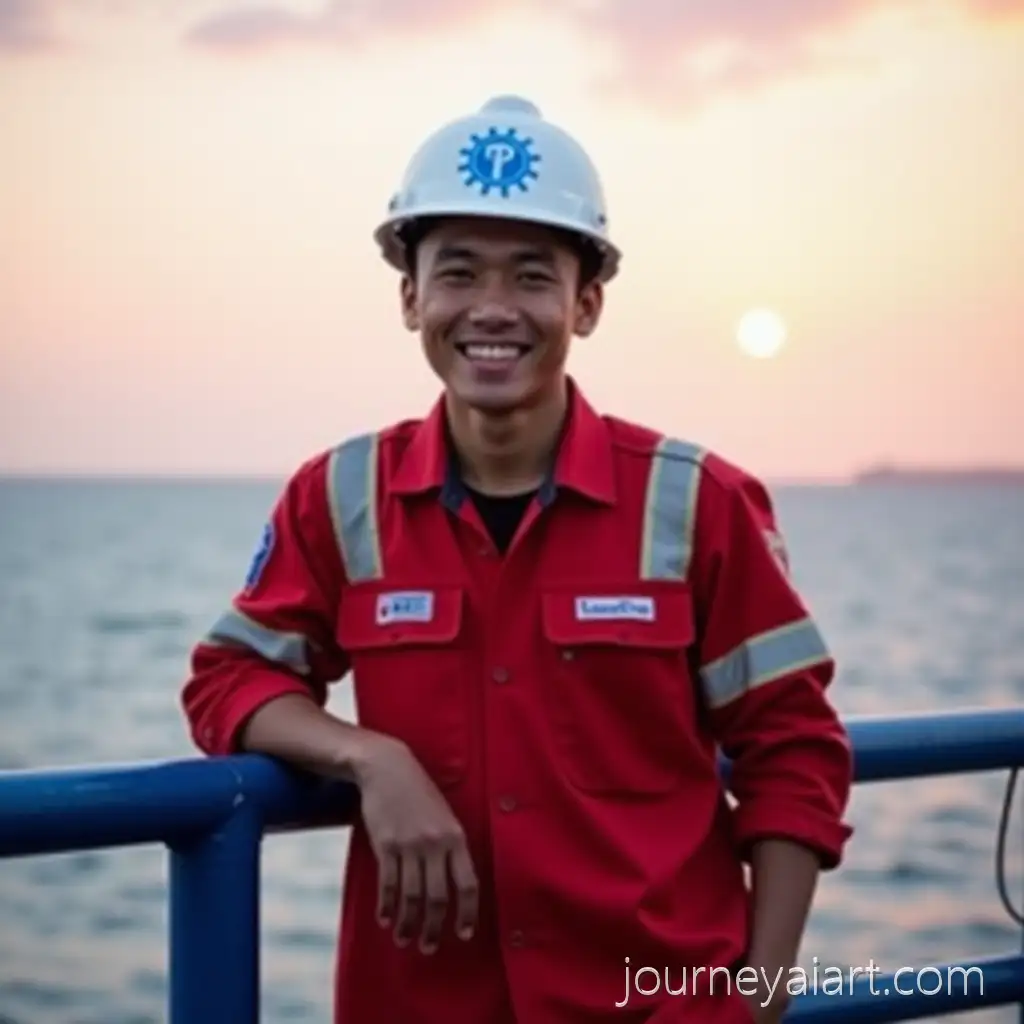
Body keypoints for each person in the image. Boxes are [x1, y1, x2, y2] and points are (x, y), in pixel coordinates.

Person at [180, 95, 853, 1023]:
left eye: (532, 277)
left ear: (586, 302)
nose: (492, 310)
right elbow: (227, 681)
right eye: (458, 273)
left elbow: (795, 750)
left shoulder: (699, 502)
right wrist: (370, 759)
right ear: (410, 295)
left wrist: (760, 1001)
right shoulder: (338, 497)